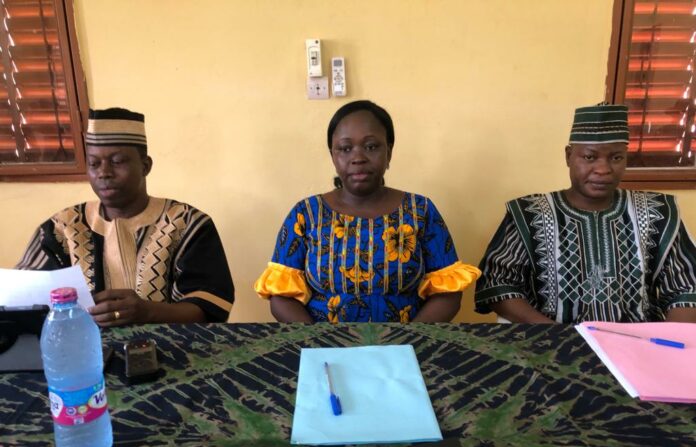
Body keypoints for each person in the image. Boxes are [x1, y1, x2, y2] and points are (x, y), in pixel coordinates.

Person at [254, 100, 480, 323]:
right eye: (345, 149)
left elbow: (447, 294)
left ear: (389, 152)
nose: (358, 158)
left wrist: (408, 339)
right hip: (322, 344)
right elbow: (281, 297)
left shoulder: (420, 210)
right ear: (333, 156)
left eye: (371, 147)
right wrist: (318, 340)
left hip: (406, 342)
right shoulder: (306, 214)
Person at [475, 102, 696, 323]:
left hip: (636, 338)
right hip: (549, 336)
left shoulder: (657, 211)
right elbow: (499, 283)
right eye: (590, 157)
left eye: (616, 158)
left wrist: (669, 340)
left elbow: (687, 287)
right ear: (569, 156)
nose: (603, 169)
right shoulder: (530, 213)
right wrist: (555, 333)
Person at [17, 108, 234, 326]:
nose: (104, 172)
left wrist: (148, 312)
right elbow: (21, 302)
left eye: (117, 161)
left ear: (145, 166)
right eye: (94, 164)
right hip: (85, 346)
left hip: (171, 345)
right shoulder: (62, 228)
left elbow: (210, 308)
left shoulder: (186, 224)